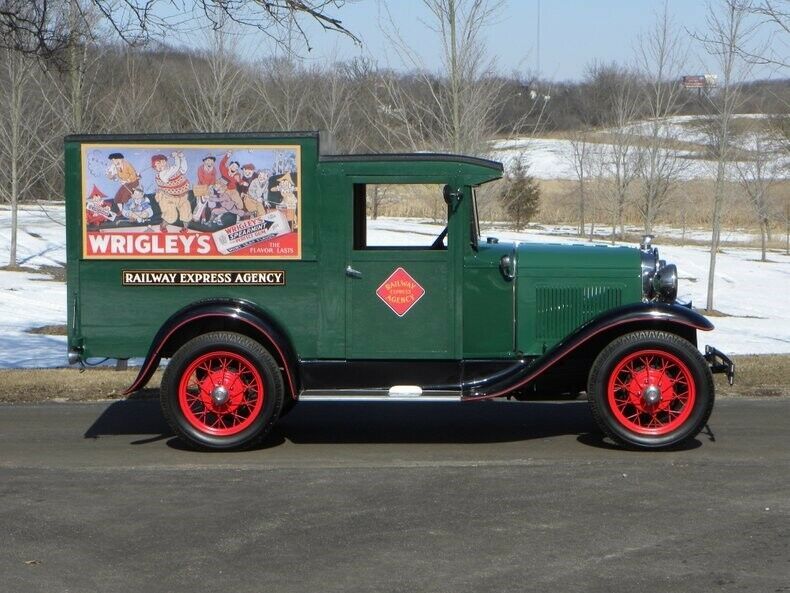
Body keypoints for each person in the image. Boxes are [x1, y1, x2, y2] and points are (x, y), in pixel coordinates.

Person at [152, 152, 191, 233]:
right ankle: (163, 226)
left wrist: (182, 157)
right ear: (155, 167)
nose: (161, 164)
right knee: (171, 215)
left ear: (166, 161)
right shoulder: (162, 175)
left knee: (186, 212)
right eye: (157, 164)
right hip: (168, 197)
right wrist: (176, 157)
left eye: (162, 161)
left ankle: (185, 228)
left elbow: (183, 169)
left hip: (182, 196)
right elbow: (176, 167)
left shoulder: (171, 169)